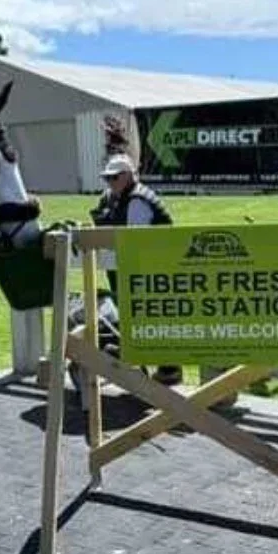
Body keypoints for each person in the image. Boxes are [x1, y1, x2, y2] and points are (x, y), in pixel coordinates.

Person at [89, 153, 180, 385]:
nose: (110, 182)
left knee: (150, 317)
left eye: (115, 177)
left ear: (128, 176)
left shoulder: (137, 200)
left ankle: (165, 369)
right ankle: (157, 368)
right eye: (107, 178)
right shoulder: (114, 196)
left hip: (148, 267)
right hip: (130, 266)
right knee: (137, 315)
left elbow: (133, 239)